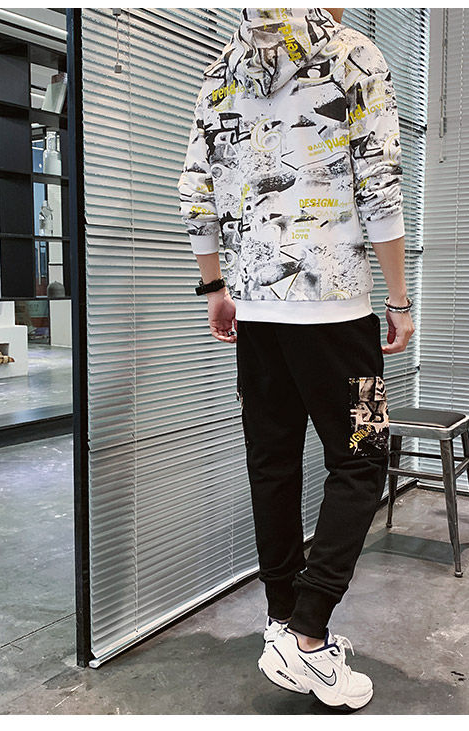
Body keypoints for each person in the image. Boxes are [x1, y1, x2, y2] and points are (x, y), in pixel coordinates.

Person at [177, 7, 414, 709]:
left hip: (257, 315)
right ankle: (308, 635)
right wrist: (399, 300)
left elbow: (195, 189)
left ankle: (284, 623)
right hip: (339, 316)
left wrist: (216, 288)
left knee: (273, 465)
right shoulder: (355, 55)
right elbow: (380, 186)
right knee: (366, 454)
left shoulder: (221, 69)